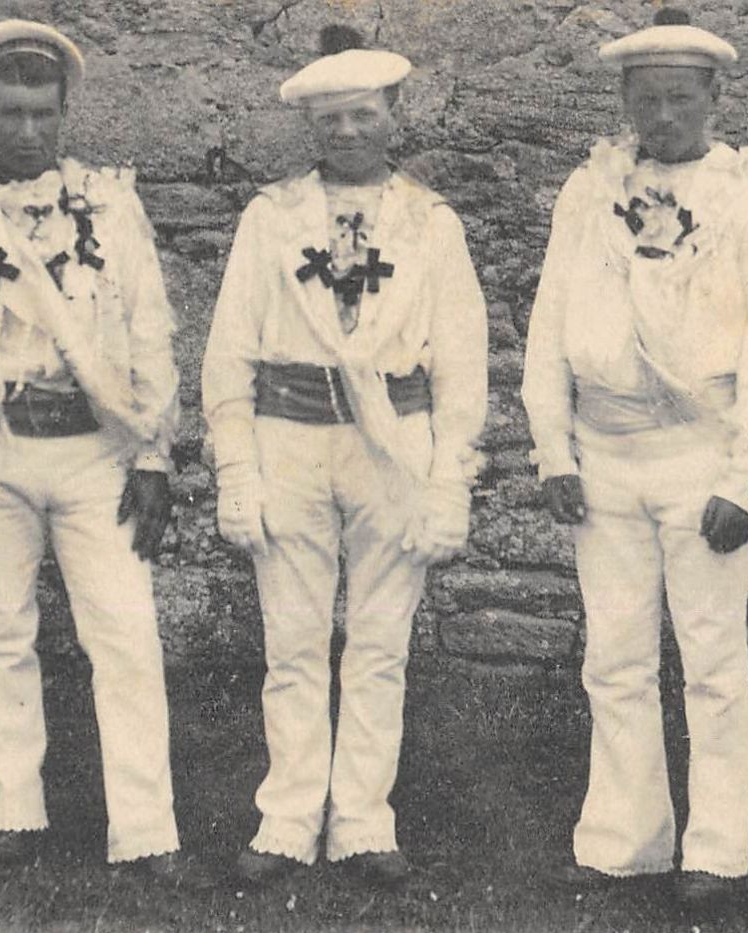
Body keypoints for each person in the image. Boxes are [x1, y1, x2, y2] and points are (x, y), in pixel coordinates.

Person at [520, 8, 748, 907]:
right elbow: (549, 322)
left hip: (700, 456)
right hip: (603, 454)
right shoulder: (588, 193)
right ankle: (623, 837)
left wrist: (744, 477)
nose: (664, 118)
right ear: (626, 102)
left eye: (681, 99)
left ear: (714, 97)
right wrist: (552, 449)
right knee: (612, 654)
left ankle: (716, 850)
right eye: (647, 101)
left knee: (711, 657)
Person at [0, 20, 200, 884]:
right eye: (10, 114)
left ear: (65, 112)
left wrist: (153, 458)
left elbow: (150, 334)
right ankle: (15, 812)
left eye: (44, 115)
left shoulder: (112, 207)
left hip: (92, 453)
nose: (28, 133)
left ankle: (146, 828)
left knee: (125, 633)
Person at [201, 26, 488, 887]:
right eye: (331, 122)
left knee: (377, 640)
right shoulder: (273, 216)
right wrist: (236, 469)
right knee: (290, 638)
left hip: (393, 447)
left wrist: (449, 484)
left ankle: (363, 817)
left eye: (364, 116)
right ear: (311, 128)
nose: (348, 134)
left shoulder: (429, 221)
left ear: (392, 115)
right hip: (290, 439)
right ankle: (287, 816)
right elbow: (228, 354)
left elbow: (462, 367)